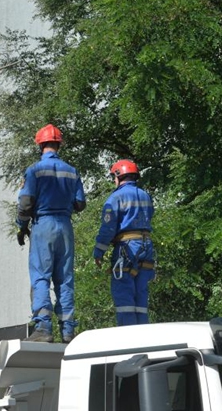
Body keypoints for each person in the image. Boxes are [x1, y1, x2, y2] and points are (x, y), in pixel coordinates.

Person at [17, 124, 86, 343]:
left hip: (43, 225)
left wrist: (21, 226)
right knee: (65, 279)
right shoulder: (72, 171)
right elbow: (80, 203)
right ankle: (68, 331)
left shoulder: (35, 170)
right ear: (58, 144)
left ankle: (43, 328)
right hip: (65, 226)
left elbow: (26, 203)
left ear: (40, 144)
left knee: (41, 277)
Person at [93, 159, 155, 326]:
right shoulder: (146, 196)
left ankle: (128, 335)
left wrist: (99, 251)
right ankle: (142, 333)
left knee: (124, 295)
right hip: (146, 247)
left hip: (126, 249)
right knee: (141, 295)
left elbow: (108, 228)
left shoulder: (115, 198)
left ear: (119, 176)